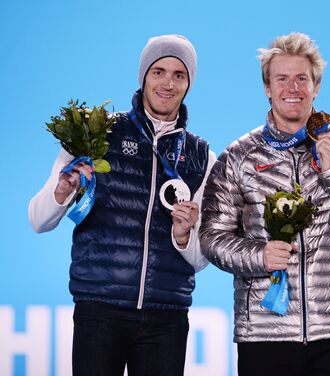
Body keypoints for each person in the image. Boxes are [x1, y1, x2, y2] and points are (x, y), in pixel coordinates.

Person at [199, 32, 330, 376]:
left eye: (302, 78)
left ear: (316, 86)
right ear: (267, 88)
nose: (293, 88)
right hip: (264, 335)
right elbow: (212, 237)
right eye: (282, 79)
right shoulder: (239, 156)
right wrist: (258, 256)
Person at [29, 34, 216, 376]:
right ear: (143, 75)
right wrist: (61, 193)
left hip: (167, 316)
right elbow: (38, 220)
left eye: (179, 75)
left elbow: (201, 259)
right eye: (159, 71)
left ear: (189, 83)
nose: (168, 83)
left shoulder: (202, 156)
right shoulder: (96, 132)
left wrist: (184, 235)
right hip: (100, 309)